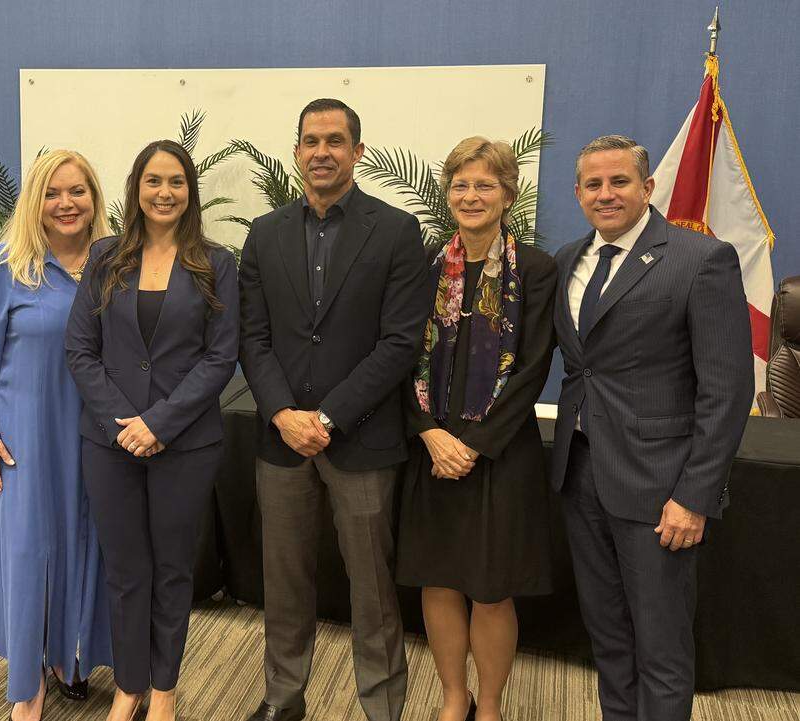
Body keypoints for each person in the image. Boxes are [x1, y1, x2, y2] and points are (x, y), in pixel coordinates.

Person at [237, 98, 430, 721]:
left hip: (363, 440)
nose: (322, 152)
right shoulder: (263, 236)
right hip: (281, 440)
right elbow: (253, 339)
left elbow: (401, 342)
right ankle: (283, 698)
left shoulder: (398, 233)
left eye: (335, 141)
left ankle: (382, 708)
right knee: (285, 582)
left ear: (358, 152)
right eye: (311, 141)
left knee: (373, 590)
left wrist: (328, 418)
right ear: (296, 152)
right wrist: (284, 414)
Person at [553, 135, 753, 721]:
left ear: (648, 187)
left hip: (660, 486)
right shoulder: (568, 260)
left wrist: (694, 496)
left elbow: (727, 390)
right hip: (580, 472)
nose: (606, 194)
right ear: (578, 193)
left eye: (619, 182)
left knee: (661, 648)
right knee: (608, 637)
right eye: (594, 184)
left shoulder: (699, 259)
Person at [64, 139, 239, 721]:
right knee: (125, 570)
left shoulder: (216, 262)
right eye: (153, 181)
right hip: (110, 443)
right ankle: (129, 686)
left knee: (171, 570)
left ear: (190, 193)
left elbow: (222, 357)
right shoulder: (106, 256)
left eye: (177, 183)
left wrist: (158, 424)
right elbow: (80, 349)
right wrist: (124, 426)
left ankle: (164, 688)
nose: (164, 193)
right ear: (136, 188)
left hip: (185, 443)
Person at [396, 137, 557, 721]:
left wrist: (474, 444)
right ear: (447, 195)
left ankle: (488, 705)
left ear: (507, 194)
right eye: (461, 185)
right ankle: (452, 697)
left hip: (499, 456)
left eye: (484, 185)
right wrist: (428, 433)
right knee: (437, 582)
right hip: (431, 451)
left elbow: (534, 367)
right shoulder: (426, 268)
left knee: (490, 588)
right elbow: (399, 356)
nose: (471, 196)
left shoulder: (536, 270)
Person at [0, 150, 114, 721]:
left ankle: (70, 656)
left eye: (78, 191)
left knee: (90, 540)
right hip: (25, 433)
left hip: (98, 431)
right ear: (35, 202)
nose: (66, 203)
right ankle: (27, 683)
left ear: (95, 199)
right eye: (53, 193)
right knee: (30, 552)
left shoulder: (114, 264)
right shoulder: (8, 266)